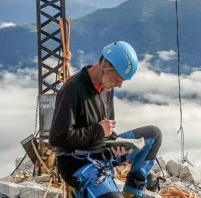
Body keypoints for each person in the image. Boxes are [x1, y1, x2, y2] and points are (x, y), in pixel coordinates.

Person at [49, 41, 162, 198]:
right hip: (78, 161)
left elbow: (107, 128)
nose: (119, 85)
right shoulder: (72, 90)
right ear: (106, 65)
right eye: (118, 79)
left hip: (104, 150)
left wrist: (118, 144)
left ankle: (132, 192)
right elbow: (57, 138)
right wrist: (99, 130)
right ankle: (81, 191)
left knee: (152, 135)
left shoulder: (106, 88)